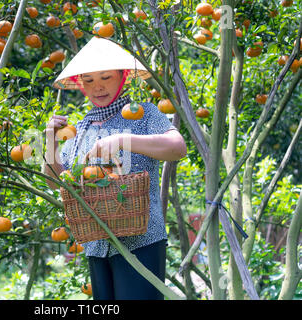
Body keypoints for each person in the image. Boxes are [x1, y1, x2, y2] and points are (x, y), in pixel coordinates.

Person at [43, 37, 187, 300]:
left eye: (106, 77)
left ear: (123, 76)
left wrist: (123, 140)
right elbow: (55, 181)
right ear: (80, 85)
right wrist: (50, 140)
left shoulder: (143, 113)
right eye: (88, 80)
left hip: (142, 241)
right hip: (97, 244)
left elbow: (177, 147)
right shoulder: (79, 128)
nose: (97, 87)